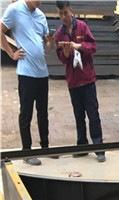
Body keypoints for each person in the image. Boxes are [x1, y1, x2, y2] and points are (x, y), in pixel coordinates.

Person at [1, 1, 55, 166]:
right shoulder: (15, 10)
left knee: (43, 112)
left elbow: (48, 45)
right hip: (26, 73)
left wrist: (51, 41)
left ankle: (45, 147)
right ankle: (27, 151)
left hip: (42, 72)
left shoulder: (41, 16)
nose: (39, 1)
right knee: (26, 113)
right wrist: (11, 54)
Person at [55, 1, 105, 162]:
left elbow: (93, 46)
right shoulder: (60, 34)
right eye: (60, 14)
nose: (63, 17)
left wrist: (79, 46)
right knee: (79, 116)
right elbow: (62, 59)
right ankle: (82, 146)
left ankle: (98, 148)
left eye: (65, 12)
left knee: (93, 114)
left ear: (70, 10)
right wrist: (66, 53)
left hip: (87, 79)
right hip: (73, 81)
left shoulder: (82, 27)